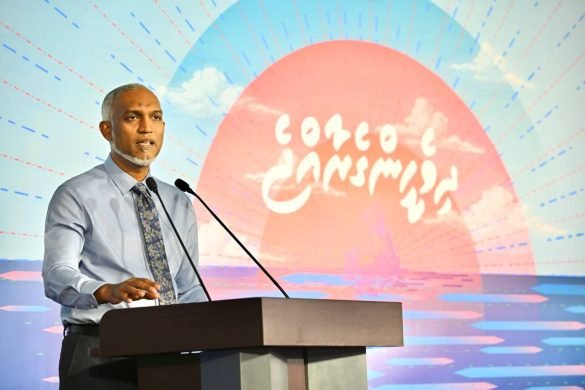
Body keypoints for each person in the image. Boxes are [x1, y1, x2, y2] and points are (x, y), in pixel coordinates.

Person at [42, 83, 207, 389]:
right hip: (100, 354)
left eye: (155, 118)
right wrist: (106, 291)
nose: (147, 128)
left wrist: (215, 331)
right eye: (133, 118)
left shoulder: (177, 201)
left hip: (170, 355)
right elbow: (56, 275)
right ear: (107, 130)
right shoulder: (76, 194)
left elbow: (188, 286)